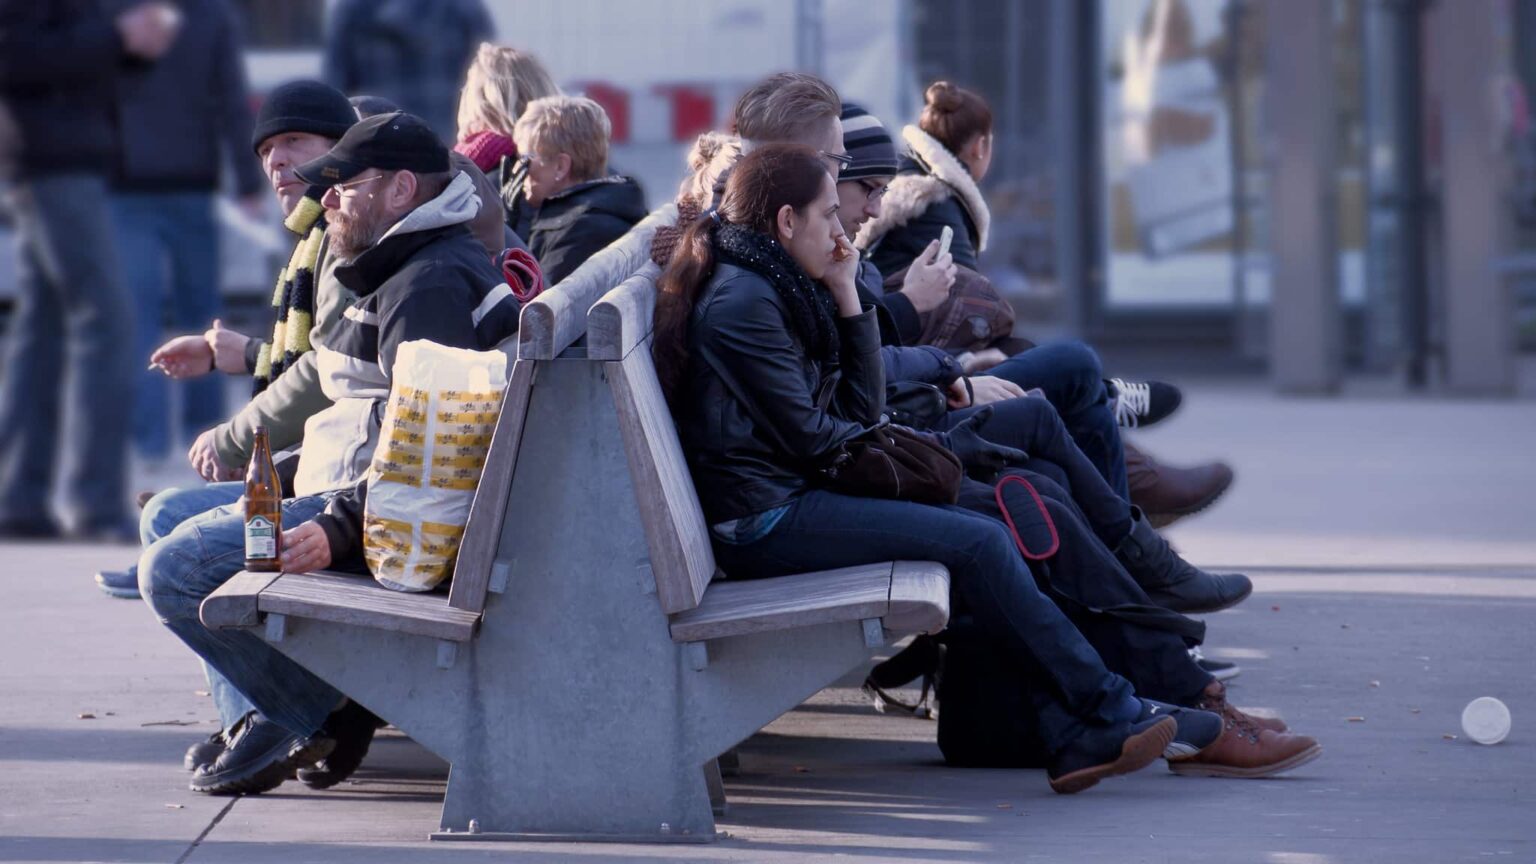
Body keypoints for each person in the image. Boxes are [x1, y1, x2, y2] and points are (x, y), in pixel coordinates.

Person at [652, 143, 1237, 793]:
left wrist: (850, 297)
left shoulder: (777, 281)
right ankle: (1104, 708)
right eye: (830, 215)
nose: (844, 233)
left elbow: (856, 409)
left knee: (1003, 507)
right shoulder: (745, 301)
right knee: (982, 540)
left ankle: (1089, 717)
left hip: (793, 491)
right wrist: (909, 455)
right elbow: (819, 440)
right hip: (766, 519)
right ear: (786, 221)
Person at [140, 111, 521, 796]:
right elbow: (364, 413)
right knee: (168, 521)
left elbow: (446, 453)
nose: (329, 198)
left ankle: (309, 709)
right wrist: (278, 472)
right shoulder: (396, 263)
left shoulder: (427, 285)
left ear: (401, 189)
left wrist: (339, 527)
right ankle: (277, 713)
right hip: (346, 489)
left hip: (378, 520)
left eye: (344, 183)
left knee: (176, 568)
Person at [854, 82, 1234, 526]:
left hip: (914, 384)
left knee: (1050, 374)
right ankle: (1131, 490)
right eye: (867, 190)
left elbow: (875, 338)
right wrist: (959, 361)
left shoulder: (886, 218)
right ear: (981, 146)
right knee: (1069, 370)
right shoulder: (934, 208)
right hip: (915, 402)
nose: (872, 209)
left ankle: (1133, 513)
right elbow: (940, 321)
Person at [95, 80, 360, 600]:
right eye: (265, 150)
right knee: (166, 519)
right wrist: (240, 355)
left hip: (342, 486)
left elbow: (329, 368)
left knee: (170, 538)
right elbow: (327, 354)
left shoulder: (343, 236)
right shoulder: (314, 236)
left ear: (339, 149)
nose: (276, 161)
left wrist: (241, 438)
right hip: (325, 464)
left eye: (295, 141)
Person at [0, 0, 180, 540]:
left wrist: (136, 48)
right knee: (108, 323)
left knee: (45, 333)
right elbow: (13, 52)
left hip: (58, 159)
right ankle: (95, 504)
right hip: (51, 163)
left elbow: (63, 53)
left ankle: (19, 497)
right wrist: (117, 38)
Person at [111, 0, 265, 463]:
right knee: (203, 314)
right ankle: (208, 436)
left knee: (139, 316)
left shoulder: (116, 14)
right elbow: (231, 100)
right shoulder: (211, 15)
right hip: (192, 181)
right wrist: (246, 180)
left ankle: (151, 443)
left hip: (125, 183)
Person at [512, 95, 645, 284]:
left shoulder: (579, 232)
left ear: (560, 166)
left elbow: (528, 307)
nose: (518, 169)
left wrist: (505, 232)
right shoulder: (608, 208)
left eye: (526, 158)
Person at [322, 0, 494, 142]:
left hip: (380, 144)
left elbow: (335, 98)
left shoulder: (353, 11)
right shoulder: (464, 8)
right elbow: (488, 85)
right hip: (449, 144)